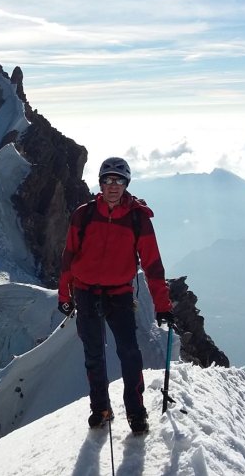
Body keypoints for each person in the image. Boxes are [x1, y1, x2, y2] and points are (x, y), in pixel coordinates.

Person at [57, 157, 174, 433]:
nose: (113, 186)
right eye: (108, 180)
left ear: (126, 184)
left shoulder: (137, 218)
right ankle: (101, 409)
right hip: (85, 292)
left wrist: (163, 304)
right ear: (100, 183)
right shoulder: (83, 215)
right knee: (94, 355)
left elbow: (153, 263)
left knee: (130, 354)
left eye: (119, 180)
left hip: (119, 294)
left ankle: (136, 412)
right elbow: (69, 257)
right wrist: (65, 293)